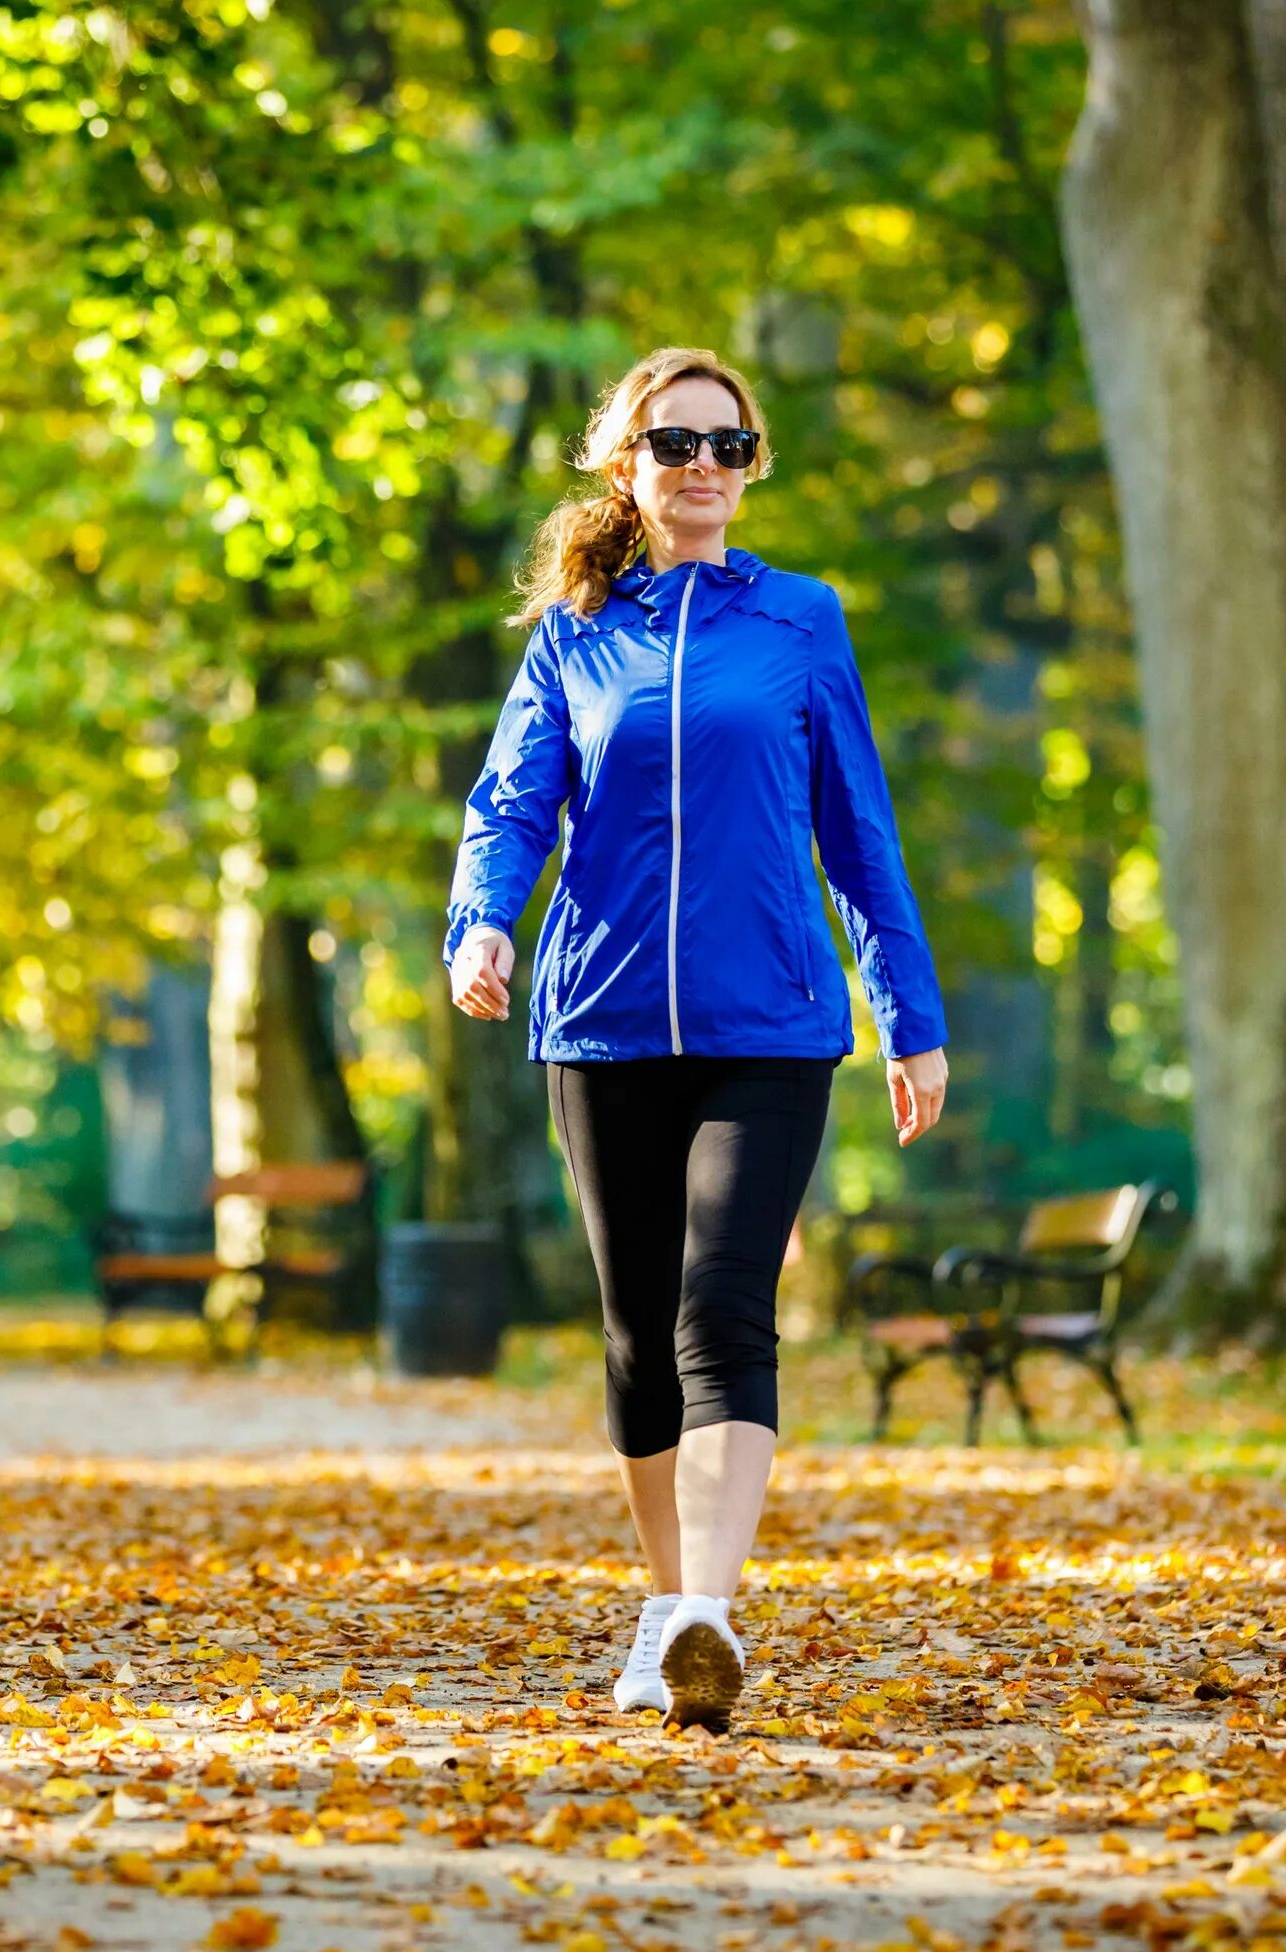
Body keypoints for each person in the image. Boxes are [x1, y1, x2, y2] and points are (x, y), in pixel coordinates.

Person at [445, 346, 950, 1733]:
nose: (706, 470)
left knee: (724, 1306)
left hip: (772, 1021)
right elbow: (510, 808)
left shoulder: (800, 621)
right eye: (678, 445)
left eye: (731, 448)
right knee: (636, 1336)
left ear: (753, 466)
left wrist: (908, 1013)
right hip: (600, 1022)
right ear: (628, 465)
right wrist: (482, 925)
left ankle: (713, 1614)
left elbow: (858, 829)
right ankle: (667, 1608)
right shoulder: (574, 635)